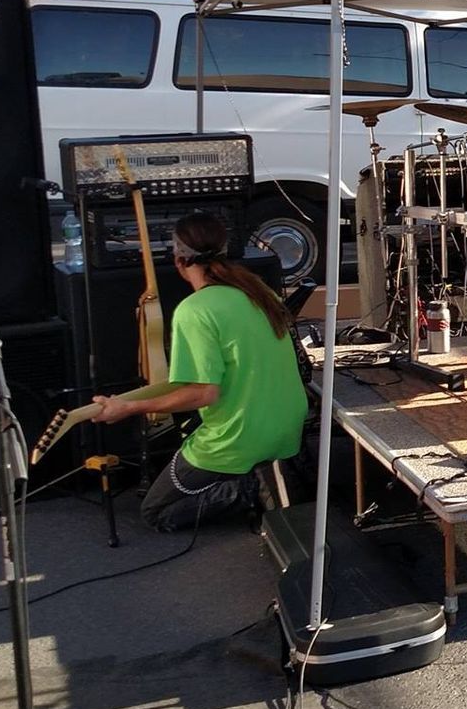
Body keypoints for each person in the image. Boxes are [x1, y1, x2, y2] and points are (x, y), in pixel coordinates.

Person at [95, 212, 308, 532]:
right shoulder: (260, 292)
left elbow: (204, 393)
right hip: (287, 429)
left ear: (178, 259)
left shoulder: (194, 310)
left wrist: (129, 407)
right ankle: (270, 473)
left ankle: (250, 488)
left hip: (237, 439)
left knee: (156, 512)